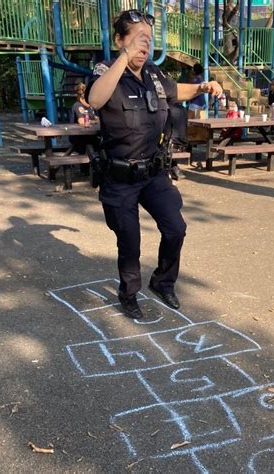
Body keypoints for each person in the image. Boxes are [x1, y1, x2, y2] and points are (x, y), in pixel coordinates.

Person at [86, 9, 222, 319]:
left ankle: (163, 281)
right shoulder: (105, 70)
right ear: (120, 40)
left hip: (153, 172)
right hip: (119, 176)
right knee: (130, 241)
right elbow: (95, 100)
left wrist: (203, 87)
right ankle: (129, 292)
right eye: (137, 39)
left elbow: (175, 92)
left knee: (176, 228)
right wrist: (124, 58)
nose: (144, 46)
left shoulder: (154, 74)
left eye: (148, 40)